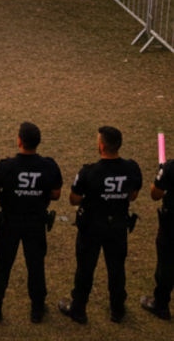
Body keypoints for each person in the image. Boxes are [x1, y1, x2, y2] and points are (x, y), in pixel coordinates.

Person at [0, 121, 63, 324]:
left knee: (2, 265)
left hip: (10, 222)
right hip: (35, 223)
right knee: (36, 265)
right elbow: (56, 194)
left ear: (19, 141)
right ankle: (37, 308)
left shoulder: (5, 166)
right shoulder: (49, 166)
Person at [58, 125, 142, 324]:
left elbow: (74, 199)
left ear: (101, 147)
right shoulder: (132, 168)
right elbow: (133, 195)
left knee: (85, 269)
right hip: (118, 226)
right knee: (116, 269)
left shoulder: (89, 172)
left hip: (92, 228)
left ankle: (78, 309)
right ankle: (117, 310)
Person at [141, 146, 174, 320]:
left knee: (166, 263)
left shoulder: (171, 167)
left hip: (171, 225)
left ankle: (161, 305)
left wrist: (159, 177)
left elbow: (156, 194)